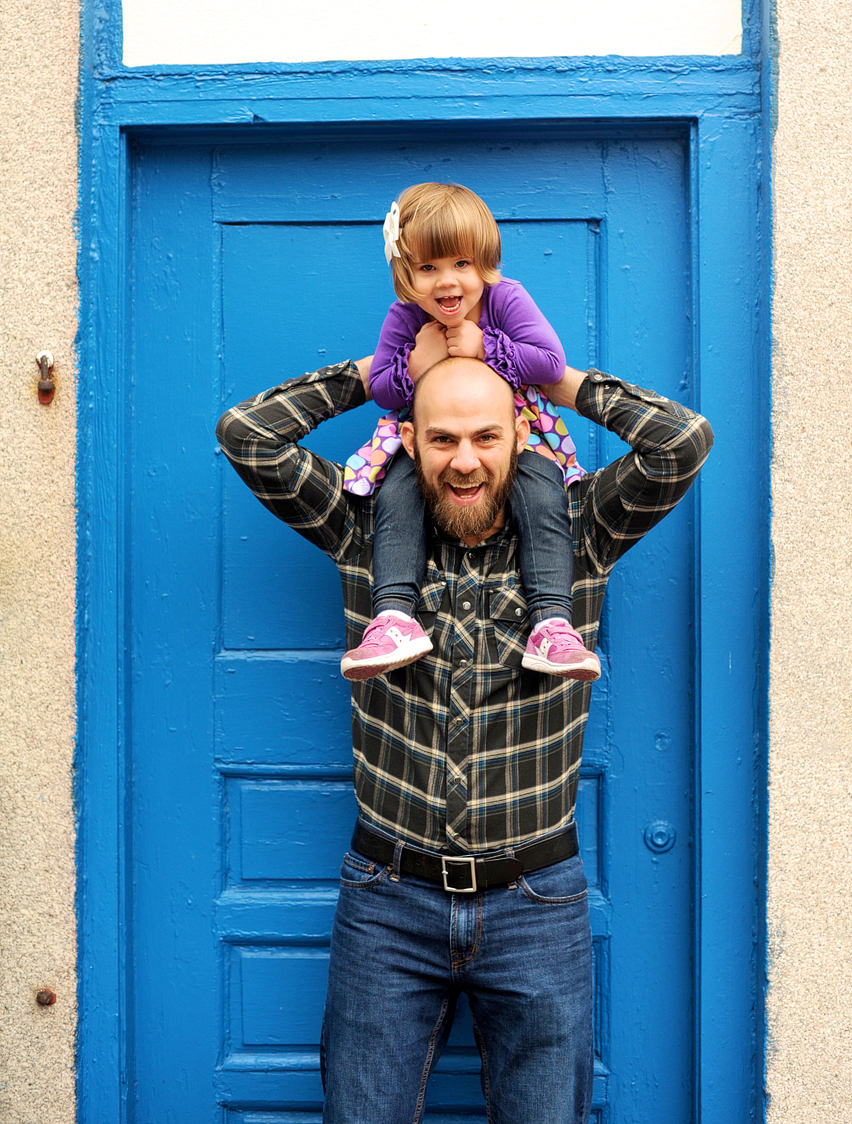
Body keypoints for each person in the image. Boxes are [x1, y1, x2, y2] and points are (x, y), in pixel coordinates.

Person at [216, 354, 713, 1124]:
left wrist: (547, 375)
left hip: (536, 902)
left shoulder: (582, 533)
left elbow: (681, 443)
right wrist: (372, 371)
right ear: (408, 442)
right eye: (442, 439)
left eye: (486, 436)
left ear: (521, 434)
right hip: (388, 900)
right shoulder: (361, 532)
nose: (466, 460)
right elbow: (248, 437)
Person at [342, 182, 600, 682]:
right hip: (428, 435)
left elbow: (550, 362)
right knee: (396, 489)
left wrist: (488, 347)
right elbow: (381, 389)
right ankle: (394, 614)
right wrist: (415, 364)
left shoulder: (506, 299)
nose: (446, 283)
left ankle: (552, 621)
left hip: (514, 433)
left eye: (461, 264)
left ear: (484, 262)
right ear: (406, 273)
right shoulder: (406, 316)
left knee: (544, 496)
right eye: (428, 268)